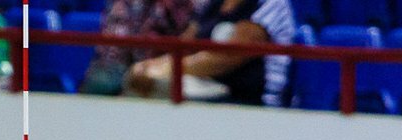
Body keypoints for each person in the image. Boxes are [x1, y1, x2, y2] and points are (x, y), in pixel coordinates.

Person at [124, 0, 296, 107]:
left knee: (160, 88)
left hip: (250, 103)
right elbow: (185, 45)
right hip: (205, 89)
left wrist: (166, 69)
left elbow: (227, 57)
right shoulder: (213, 4)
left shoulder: (269, 4)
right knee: (138, 82)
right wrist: (149, 66)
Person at [80, 0, 198, 95]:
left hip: (162, 65)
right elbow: (116, 46)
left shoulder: (182, 4)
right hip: (116, 65)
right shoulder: (124, 4)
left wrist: (154, 66)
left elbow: (187, 41)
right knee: (103, 82)